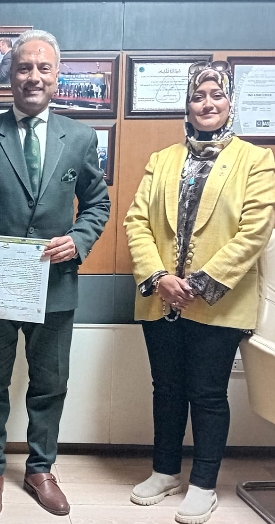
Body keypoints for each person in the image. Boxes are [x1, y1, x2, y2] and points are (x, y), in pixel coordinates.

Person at [0, 29, 111, 519]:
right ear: (10, 75)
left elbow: (97, 204)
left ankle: (41, 469)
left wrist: (78, 239)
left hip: (55, 286)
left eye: (43, 68)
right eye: (24, 67)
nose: (33, 76)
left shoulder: (79, 137)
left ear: (57, 76)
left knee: (50, 383)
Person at [124, 61, 275, 524]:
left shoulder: (257, 160)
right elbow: (136, 222)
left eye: (216, 95)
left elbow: (254, 232)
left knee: (208, 394)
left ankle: (204, 484)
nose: (207, 104)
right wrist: (158, 277)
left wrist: (198, 284)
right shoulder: (162, 159)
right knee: (166, 390)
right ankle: (165, 471)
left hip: (219, 302)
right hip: (160, 298)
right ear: (187, 105)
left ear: (231, 102)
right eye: (197, 96)